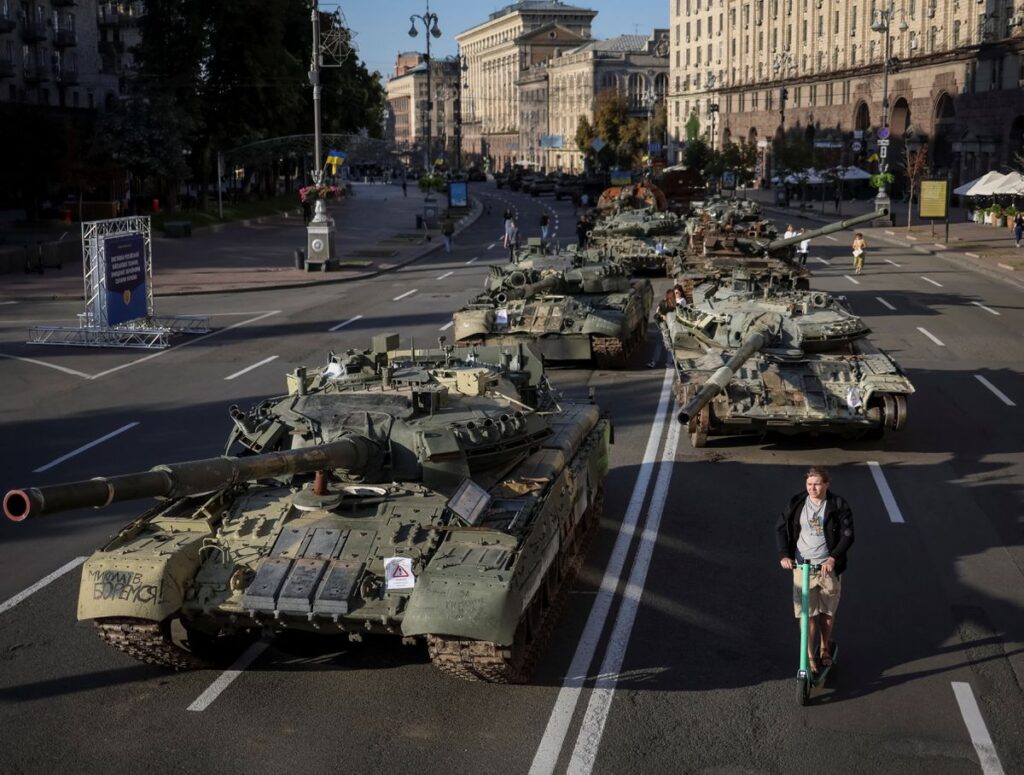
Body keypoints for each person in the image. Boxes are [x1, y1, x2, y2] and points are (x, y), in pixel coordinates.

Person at [776, 466, 855, 675]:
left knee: (827, 613)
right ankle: (809, 656)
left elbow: (848, 534)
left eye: (817, 484)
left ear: (826, 485)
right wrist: (785, 555)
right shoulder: (797, 503)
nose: (812, 488)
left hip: (828, 568)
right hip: (803, 566)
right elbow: (781, 528)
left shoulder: (838, 505)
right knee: (806, 614)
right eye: (809, 484)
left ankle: (825, 647)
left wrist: (833, 558)